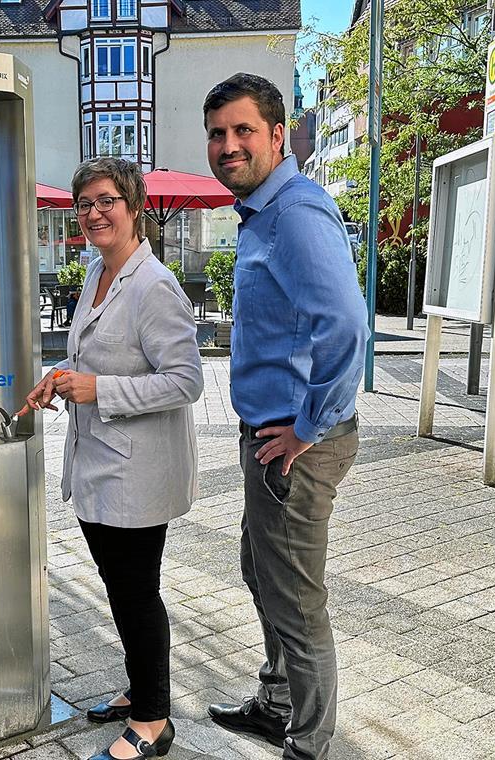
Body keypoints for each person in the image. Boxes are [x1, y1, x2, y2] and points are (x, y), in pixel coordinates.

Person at [202, 73, 368, 760]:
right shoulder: (263, 215)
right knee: (258, 568)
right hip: (271, 439)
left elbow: (349, 328)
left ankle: (309, 744)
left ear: (278, 135)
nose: (228, 145)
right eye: (217, 133)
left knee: (297, 603)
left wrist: (308, 427)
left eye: (243, 131)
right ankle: (276, 704)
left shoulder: (294, 213)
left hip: (295, 444)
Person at [22, 158, 203, 760]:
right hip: (99, 462)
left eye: (106, 201)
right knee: (121, 587)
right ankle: (139, 689)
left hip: (138, 470)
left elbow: (185, 382)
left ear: (133, 207)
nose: (94, 213)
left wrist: (99, 389)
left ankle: (154, 720)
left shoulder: (155, 286)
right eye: (85, 204)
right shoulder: (99, 273)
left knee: (135, 591)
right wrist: (63, 378)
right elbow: (97, 359)